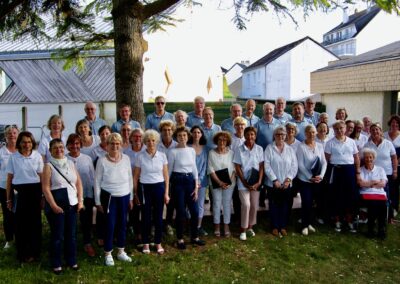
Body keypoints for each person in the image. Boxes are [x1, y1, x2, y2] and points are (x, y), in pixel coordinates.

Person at [42, 138, 84, 274]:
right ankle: (56, 262)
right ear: (50, 151)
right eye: (55, 148)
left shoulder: (70, 162)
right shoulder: (48, 166)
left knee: (71, 235)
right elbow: (46, 188)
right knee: (58, 235)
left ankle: (71, 260)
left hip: (72, 203)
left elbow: (78, 183)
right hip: (58, 205)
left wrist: (80, 201)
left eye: (61, 147)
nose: (59, 150)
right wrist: (53, 205)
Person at [94, 133, 133, 266]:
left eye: (117, 143)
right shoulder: (101, 160)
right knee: (110, 225)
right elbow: (97, 182)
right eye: (112, 143)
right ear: (107, 145)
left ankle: (121, 251)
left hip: (124, 195)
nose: (115, 146)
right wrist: (98, 201)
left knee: (122, 224)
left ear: (120, 145)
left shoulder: (126, 159)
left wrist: (131, 198)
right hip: (109, 197)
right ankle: (108, 253)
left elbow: (130, 179)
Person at [6, 131, 43, 262]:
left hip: (34, 191)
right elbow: (9, 179)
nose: (26, 144)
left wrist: (42, 196)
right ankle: (22, 253)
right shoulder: (13, 157)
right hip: (19, 193)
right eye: (23, 142)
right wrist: (8, 198)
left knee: (35, 223)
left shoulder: (37, 156)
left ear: (32, 143)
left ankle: (35, 252)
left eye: (29, 142)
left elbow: (41, 177)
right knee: (20, 224)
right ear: (19, 143)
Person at [168, 126, 205, 249]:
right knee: (181, 212)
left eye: (184, 135)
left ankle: (194, 237)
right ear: (176, 137)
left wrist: (196, 186)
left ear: (187, 136)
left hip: (190, 181)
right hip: (178, 182)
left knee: (194, 211)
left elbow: (194, 168)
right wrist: (167, 189)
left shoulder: (191, 150)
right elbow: (169, 172)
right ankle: (180, 239)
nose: (182, 137)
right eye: (179, 136)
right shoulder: (173, 152)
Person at [133, 130, 169, 254]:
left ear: (156, 142)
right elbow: (136, 176)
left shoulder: (162, 156)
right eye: (148, 140)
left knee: (158, 217)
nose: (151, 143)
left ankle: (158, 242)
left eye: (153, 140)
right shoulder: (140, 156)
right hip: (145, 189)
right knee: (146, 217)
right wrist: (135, 193)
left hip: (159, 188)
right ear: (145, 142)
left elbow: (166, 176)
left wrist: (166, 193)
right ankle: (146, 243)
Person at [325, 120, 360, 233]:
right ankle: (337, 221)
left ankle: (349, 220)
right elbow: (326, 159)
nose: (339, 130)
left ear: (345, 129)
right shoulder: (330, 143)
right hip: (336, 171)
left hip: (349, 171)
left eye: (341, 128)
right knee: (336, 196)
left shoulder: (351, 142)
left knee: (350, 196)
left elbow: (356, 158)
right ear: (334, 130)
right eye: (337, 129)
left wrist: (358, 172)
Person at [66, 134, 96, 257]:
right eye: (72, 144)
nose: (75, 146)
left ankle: (87, 243)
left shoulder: (87, 158)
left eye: (77, 143)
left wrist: (94, 194)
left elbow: (92, 177)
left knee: (86, 221)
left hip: (86, 194)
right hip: (69, 196)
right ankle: (69, 245)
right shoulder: (64, 159)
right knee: (70, 221)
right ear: (68, 146)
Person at [264, 126, 298, 237]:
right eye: (278, 134)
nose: (280, 136)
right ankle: (274, 226)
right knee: (274, 205)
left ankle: (282, 226)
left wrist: (288, 179)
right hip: (272, 183)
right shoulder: (269, 148)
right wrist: (275, 180)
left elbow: (294, 166)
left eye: (282, 134)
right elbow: (267, 165)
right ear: (274, 136)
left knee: (285, 205)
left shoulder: (290, 149)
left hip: (286, 183)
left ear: (285, 136)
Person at [233, 126, 264, 241]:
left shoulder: (260, 149)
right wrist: (244, 182)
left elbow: (261, 166)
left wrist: (259, 181)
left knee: (254, 205)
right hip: (243, 183)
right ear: (245, 135)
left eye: (252, 134)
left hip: (256, 183)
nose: (250, 137)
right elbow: (237, 167)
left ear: (255, 136)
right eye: (248, 134)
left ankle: (250, 227)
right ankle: (243, 229)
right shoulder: (239, 149)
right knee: (246, 205)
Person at [296, 125, 327, 236]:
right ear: (305, 133)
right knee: (306, 202)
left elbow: (324, 162)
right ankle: (304, 225)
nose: (311, 134)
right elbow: (300, 164)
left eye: (313, 132)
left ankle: (310, 223)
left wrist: (321, 176)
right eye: (309, 132)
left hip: (317, 180)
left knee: (314, 202)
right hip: (305, 180)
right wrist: (310, 177)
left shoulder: (319, 146)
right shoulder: (301, 146)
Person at [364, 123, 397, 223]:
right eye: (373, 130)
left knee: (388, 195)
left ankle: (389, 217)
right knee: (375, 195)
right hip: (374, 173)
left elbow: (394, 157)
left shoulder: (388, 143)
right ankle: (374, 216)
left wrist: (395, 170)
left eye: (377, 129)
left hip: (387, 173)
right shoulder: (368, 144)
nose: (375, 132)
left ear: (381, 131)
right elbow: (364, 159)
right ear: (370, 132)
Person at [208, 131, 236, 237]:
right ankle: (217, 226)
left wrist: (229, 182)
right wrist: (219, 182)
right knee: (216, 203)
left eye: (224, 140)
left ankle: (226, 225)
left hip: (229, 184)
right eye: (220, 139)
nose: (222, 141)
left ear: (227, 141)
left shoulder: (231, 153)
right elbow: (210, 169)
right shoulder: (211, 152)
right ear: (216, 141)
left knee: (227, 204)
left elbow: (234, 170)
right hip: (215, 183)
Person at [358, 148, 388, 239]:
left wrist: (368, 184)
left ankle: (380, 230)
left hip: (380, 194)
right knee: (373, 204)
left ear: (374, 158)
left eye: (370, 157)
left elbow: (383, 184)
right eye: (366, 157)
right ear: (364, 159)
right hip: (365, 194)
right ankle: (372, 229)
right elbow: (361, 184)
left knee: (382, 205)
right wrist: (373, 182)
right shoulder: (360, 170)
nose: (368, 159)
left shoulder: (380, 169)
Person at [124, 128, 145, 244]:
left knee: (145, 209)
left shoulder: (147, 150)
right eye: (135, 136)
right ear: (131, 138)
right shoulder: (126, 152)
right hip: (131, 183)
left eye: (140, 136)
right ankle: (137, 233)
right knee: (134, 209)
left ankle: (145, 232)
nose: (137, 139)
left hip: (145, 183)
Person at [0, 125, 18, 249]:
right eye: (9, 133)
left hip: (20, 186)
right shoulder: (1, 151)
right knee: (7, 213)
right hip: (3, 187)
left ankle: (20, 236)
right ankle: (9, 239)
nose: (12, 135)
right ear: (5, 136)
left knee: (19, 213)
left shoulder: (22, 149)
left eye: (14, 133)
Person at [188, 126, 208, 236]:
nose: (196, 134)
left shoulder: (204, 149)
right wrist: (193, 180)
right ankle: (190, 225)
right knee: (189, 204)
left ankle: (198, 226)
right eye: (194, 132)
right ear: (191, 134)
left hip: (202, 182)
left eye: (199, 132)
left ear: (201, 134)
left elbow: (204, 166)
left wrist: (199, 180)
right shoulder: (187, 147)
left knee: (200, 204)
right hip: (189, 181)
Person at [158, 120, 177, 235]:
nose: (167, 132)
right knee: (159, 203)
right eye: (164, 130)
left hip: (173, 178)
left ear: (172, 131)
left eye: (169, 130)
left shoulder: (177, 145)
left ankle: (168, 224)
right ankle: (157, 224)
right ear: (161, 131)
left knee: (171, 203)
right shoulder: (157, 145)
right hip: (159, 178)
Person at [384, 115, 400, 217]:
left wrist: (396, 161)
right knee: (388, 186)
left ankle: (394, 207)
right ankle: (386, 206)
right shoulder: (384, 135)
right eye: (393, 123)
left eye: (397, 123)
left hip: (398, 165)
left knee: (395, 187)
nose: (395, 125)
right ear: (390, 124)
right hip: (387, 165)